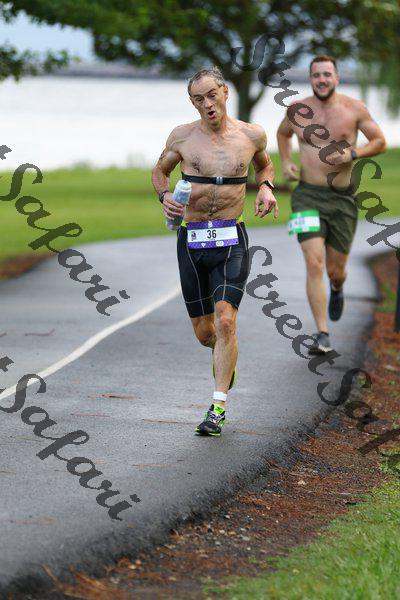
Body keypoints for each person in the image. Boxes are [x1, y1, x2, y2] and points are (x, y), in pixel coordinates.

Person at [152, 66, 278, 436]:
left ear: (225, 92)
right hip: (192, 241)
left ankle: (217, 408)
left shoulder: (252, 135)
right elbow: (159, 172)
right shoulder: (182, 137)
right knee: (206, 333)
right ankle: (222, 353)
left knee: (226, 322)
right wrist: (164, 196)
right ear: (192, 103)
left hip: (231, 239)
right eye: (198, 99)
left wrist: (266, 187)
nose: (207, 103)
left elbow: (265, 165)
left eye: (211, 95)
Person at [277, 55, 386, 354]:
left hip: (342, 200)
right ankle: (322, 333)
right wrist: (286, 161)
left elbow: (379, 141)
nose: (321, 80)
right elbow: (283, 133)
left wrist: (353, 154)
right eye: (316, 75)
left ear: (336, 77)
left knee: (335, 270)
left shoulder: (354, 109)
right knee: (314, 262)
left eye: (327, 74)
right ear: (310, 78)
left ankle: (337, 287)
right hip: (306, 197)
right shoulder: (297, 110)